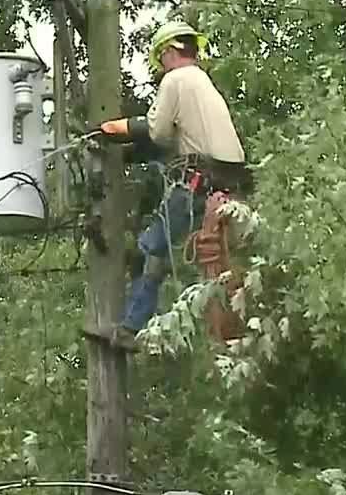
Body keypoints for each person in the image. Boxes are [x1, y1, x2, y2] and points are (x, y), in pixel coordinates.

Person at [88, 21, 247, 352]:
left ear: (170, 52)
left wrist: (117, 129)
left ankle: (130, 329)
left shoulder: (176, 79)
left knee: (151, 249)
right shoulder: (203, 83)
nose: (161, 69)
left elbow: (159, 132)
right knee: (205, 260)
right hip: (224, 188)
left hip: (197, 183)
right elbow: (175, 138)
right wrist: (131, 151)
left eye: (161, 61)